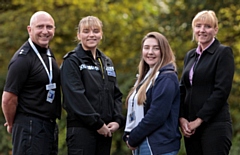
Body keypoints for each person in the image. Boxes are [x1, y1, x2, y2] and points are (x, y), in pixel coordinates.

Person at [60, 16, 124, 155]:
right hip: (81, 132)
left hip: (105, 132)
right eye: (86, 31)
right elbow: (76, 97)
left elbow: (116, 94)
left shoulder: (107, 62)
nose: (91, 35)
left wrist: (117, 120)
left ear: (101, 34)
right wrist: (97, 124)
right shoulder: (72, 61)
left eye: (95, 31)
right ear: (79, 35)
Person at [1, 11, 61, 155]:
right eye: (40, 27)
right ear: (30, 29)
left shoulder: (47, 53)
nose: (45, 31)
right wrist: (11, 123)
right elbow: (8, 99)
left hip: (48, 126)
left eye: (49, 27)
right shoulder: (22, 59)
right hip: (30, 127)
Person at [179, 10, 234, 155]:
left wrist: (199, 120)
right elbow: (182, 89)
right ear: (193, 29)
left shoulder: (223, 53)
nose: (202, 30)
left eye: (208, 26)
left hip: (215, 126)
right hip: (191, 128)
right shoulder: (190, 55)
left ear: (215, 30)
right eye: (198, 26)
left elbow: (221, 92)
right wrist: (182, 118)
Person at [123, 32, 181, 155]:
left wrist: (133, 137)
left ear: (164, 51)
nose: (150, 52)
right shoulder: (145, 77)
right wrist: (128, 134)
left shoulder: (167, 78)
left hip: (159, 145)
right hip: (143, 142)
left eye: (156, 48)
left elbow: (157, 115)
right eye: (146, 48)